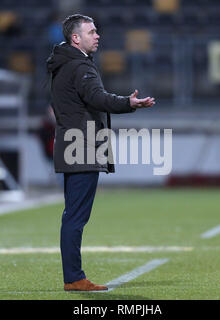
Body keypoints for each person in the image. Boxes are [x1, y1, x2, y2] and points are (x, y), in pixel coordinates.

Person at [46, 14, 155, 292]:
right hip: (82, 147)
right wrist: (128, 103)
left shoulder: (63, 65)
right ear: (76, 38)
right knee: (76, 217)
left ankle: (73, 276)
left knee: (72, 215)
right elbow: (97, 98)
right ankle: (73, 277)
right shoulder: (80, 66)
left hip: (71, 145)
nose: (97, 36)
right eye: (92, 32)